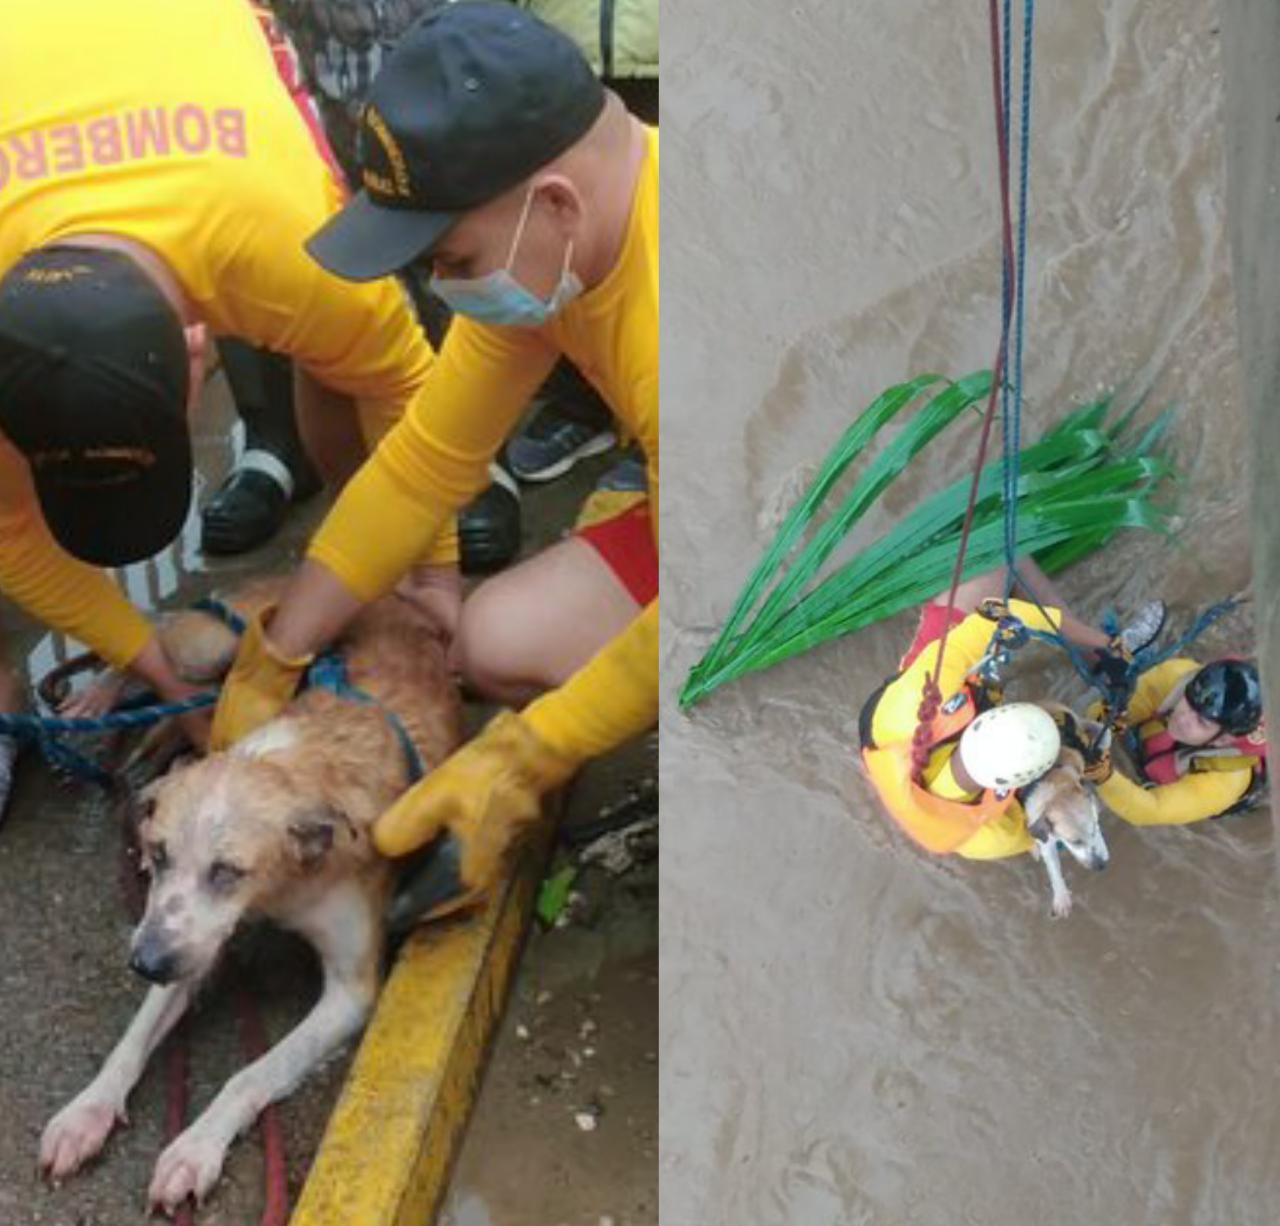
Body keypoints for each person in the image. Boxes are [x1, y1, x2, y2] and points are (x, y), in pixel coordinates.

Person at [212, 3, 658, 917]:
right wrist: (278, 650)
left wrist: (526, 758)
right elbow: (423, 466)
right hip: (729, 519)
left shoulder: (689, 317)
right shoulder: (552, 258)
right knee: (495, 639)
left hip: (858, 559)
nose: (444, 289)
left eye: (451, 257)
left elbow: (730, 596)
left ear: (558, 203)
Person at [0, 0, 450, 781]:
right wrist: (166, 679)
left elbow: (405, 382)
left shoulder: (292, 250)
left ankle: (375, 559)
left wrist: (432, 576)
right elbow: (11, 537)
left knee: (345, 368)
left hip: (186, 49)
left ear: (199, 351)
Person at [860, 562, 1164, 860]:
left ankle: (1096, 656)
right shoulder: (994, 836)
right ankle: (1104, 654)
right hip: (924, 730)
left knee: (1000, 564)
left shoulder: (926, 691)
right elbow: (1041, 834)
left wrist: (1101, 646)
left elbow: (997, 615)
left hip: (908, 713)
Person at [1088, 657, 1267, 824]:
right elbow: (1095, 719)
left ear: (1223, 740)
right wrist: (1114, 710)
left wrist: (1103, 775)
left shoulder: (1227, 781)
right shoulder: (1176, 675)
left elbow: (1151, 810)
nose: (1183, 718)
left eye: (1201, 722)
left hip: (1221, 790)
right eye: (1188, 702)